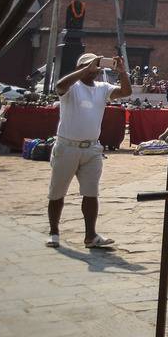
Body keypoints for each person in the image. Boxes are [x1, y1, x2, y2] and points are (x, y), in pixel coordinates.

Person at [46, 52, 129, 249]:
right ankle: (54, 232)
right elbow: (59, 86)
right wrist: (86, 69)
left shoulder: (102, 88)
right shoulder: (72, 88)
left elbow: (125, 92)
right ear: (78, 68)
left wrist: (123, 72)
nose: (93, 69)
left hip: (91, 147)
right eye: (86, 66)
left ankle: (90, 235)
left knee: (91, 193)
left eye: (95, 66)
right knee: (57, 192)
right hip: (67, 146)